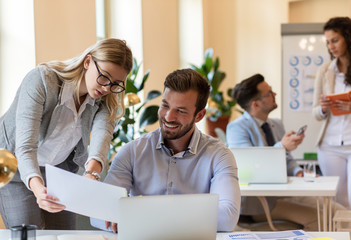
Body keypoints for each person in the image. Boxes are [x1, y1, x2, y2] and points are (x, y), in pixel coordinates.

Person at [0, 38, 133, 229]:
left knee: (64, 234)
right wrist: (39, 191)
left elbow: (101, 137)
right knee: (30, 232)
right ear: (88, 62)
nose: (106, 88)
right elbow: (25, 146)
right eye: (104, 77)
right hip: (15, 164)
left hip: (58, 170)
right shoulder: (42, 80)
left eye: (116, 83)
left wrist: (91, 174)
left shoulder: (107, 97)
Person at [104, 68, 241, 233]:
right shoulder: (132, 151)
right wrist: (186, 218)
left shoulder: (220, 156)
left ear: (199, 115)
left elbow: (227, 218)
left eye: (181, 111)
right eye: (165, 106)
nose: (168, 117)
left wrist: (142, 216)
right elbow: (100, 214)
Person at [226, 73, 321, 231]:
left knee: (335, 208)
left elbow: (287, 159)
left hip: (284, 192)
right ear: (255, 104)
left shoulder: (275, 124)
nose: (274, 94)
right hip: (260, 203)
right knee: (319, 217)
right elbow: (250, 167)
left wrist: (298, 172)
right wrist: (281, 147)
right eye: (269, 93)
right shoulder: (237, 128)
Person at [312, 16, 351, 209]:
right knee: (338, 202)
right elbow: (315, 112)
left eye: (335, 40)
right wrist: (323, 108)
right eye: (328, 42)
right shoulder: (325, 70)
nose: (331, 46)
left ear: (348, 38)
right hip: (329, 145)